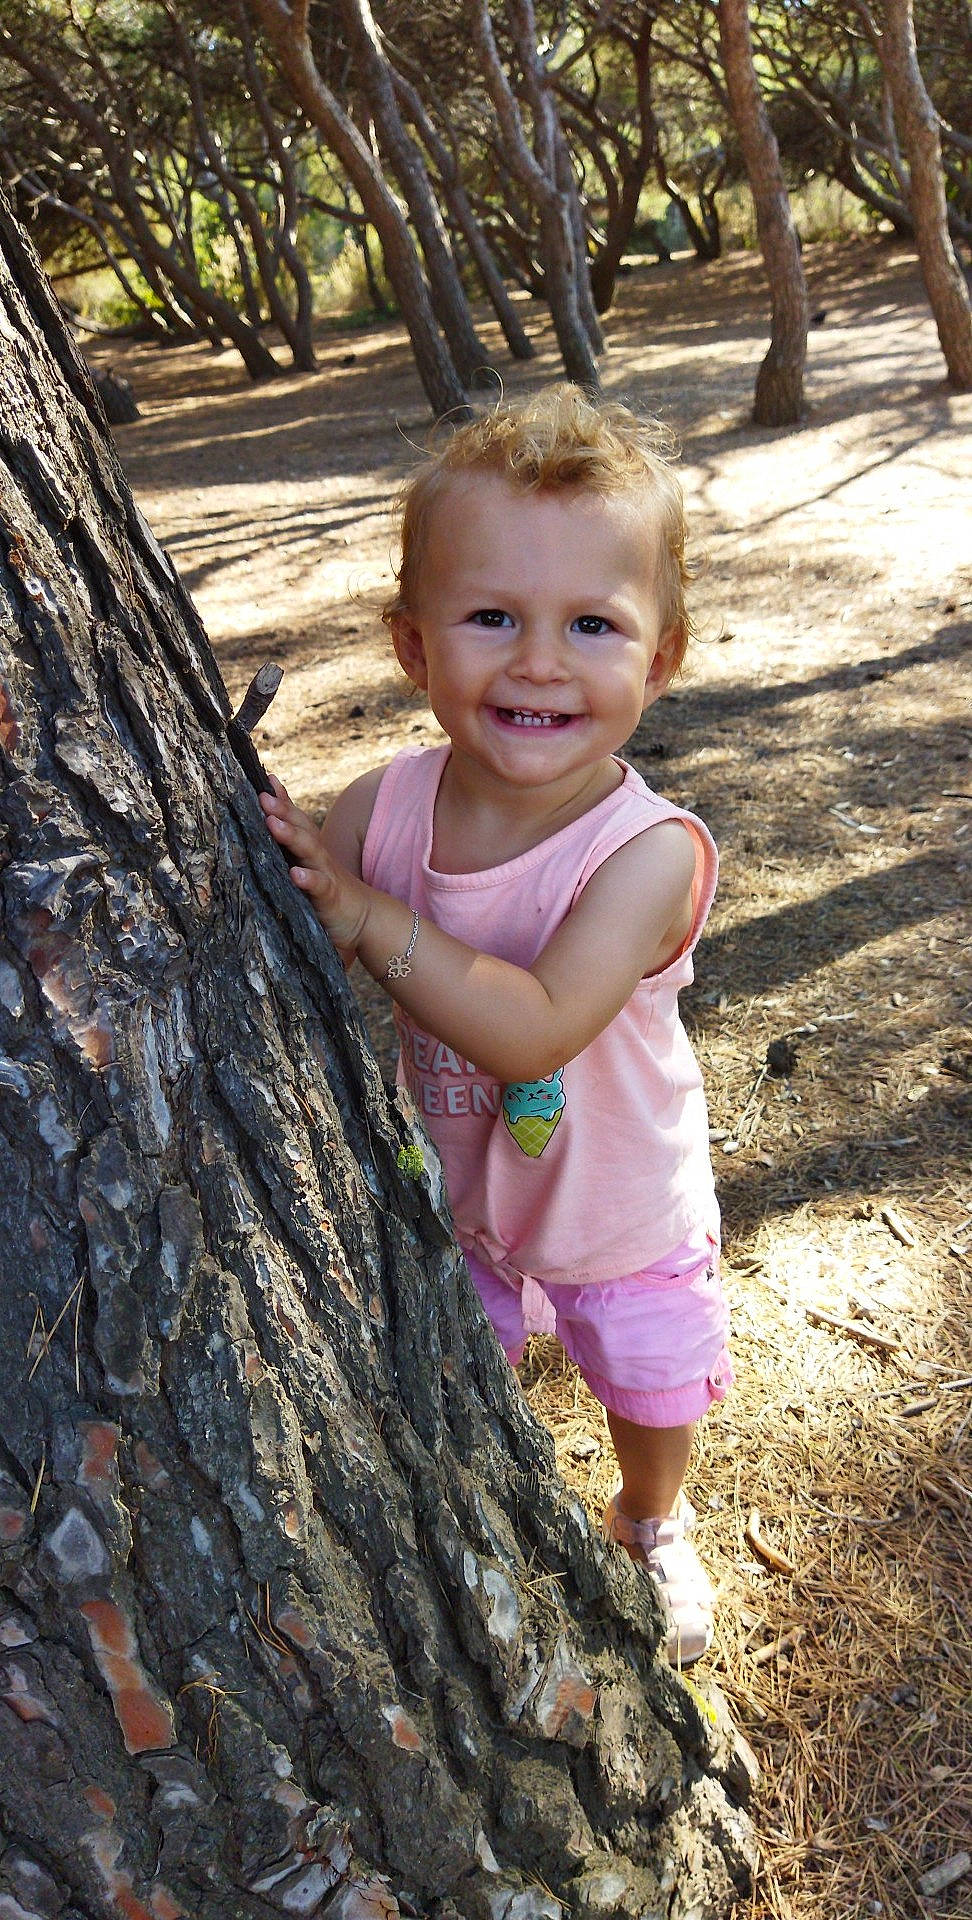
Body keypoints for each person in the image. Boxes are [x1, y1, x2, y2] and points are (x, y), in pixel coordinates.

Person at [260, 385, 731, 1665]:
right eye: (491, 618)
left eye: (592, 623)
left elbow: (533, 1030)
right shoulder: (384, 809)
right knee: (458, 1364)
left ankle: (651, 1516)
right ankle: (481, 1504)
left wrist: (367, 917)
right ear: (414, 648)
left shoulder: (648, 855)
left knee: (648, 1377)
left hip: (615, 1197)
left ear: (660, 659)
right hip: (454, 1187)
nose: (538, 661)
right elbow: (301, 933)